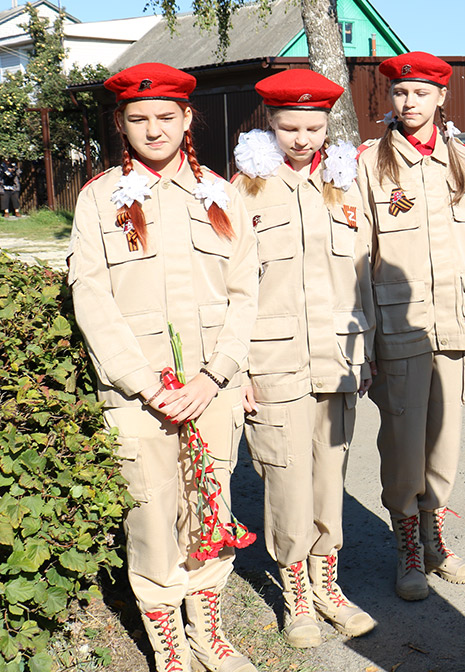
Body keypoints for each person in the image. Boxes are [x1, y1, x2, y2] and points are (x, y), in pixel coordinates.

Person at [68, 63, 259, 672]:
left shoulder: (222, 195)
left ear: (186, 119)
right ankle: (168, 646)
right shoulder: (100, 199)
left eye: (166, 117)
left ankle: (208, 633)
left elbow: (246, 292)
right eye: (139, 119)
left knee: (213, 508)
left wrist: (214, 376)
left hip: (212, 393)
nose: (154, 129)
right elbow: (91, 299)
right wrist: (147, 384)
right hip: (140, 397)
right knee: (152, 517)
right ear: (121, 124)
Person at [233, 69, 377, 646]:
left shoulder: (345, 185)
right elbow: (230, 286)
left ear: (326, 125)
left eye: (313, 127)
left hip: (337, 357)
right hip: (272, 361)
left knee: (329, 475)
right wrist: (236, 368)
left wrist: (366, 350)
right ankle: (297, 596)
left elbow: (362, 272)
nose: (301, 138)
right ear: (269, 124)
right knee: (286, 477)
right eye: (288, 126)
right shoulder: (243, 191)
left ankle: (328, 584)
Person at [357, 52, 465, 602]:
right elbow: (360, 256)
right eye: (400, 93)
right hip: (398, 327)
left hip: (452, 325)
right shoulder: (370, 162)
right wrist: (365, 338)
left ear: (441, 98)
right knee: (404, 445)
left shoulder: (462, 162)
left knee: (444, 442)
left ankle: (435, 539)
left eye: (420, 94)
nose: (408, 103)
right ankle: (408, 547)